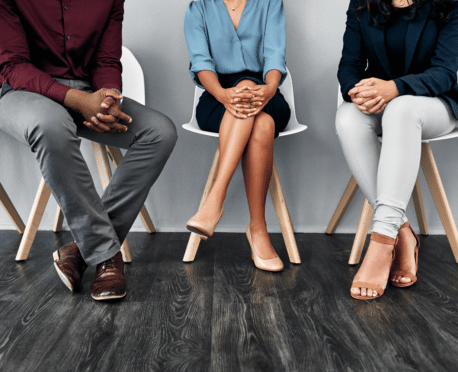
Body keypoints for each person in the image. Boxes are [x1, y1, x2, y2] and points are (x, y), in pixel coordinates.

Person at [0, 0, 177, 301]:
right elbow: (14, 66)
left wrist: (110, 97)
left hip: (87, 92)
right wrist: (77, 101)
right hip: (22, 92)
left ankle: (80, 252)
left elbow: (107, 60)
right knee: (50, 125)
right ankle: (106, 255)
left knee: (159, 133)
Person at [336, 0, 458, 299]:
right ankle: (402, 233)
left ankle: (380, 242)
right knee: (348, 117)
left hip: (434, 104)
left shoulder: (449, 5)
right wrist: (357, 91)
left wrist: (396, 88)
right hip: (381, 101)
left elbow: (445, 72)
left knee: (401, 109)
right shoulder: (363, 4)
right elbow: (349, 65)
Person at [184, 0, 291, 271]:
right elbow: (200, 61)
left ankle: (214, 200)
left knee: (251, 93)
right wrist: (222, 94)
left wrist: (268, 88)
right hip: (217, 98)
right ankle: (258, 230)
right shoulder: (199, 8)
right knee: (262, 126)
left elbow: (275, 54)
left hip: (266, 94)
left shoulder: (269, 3)